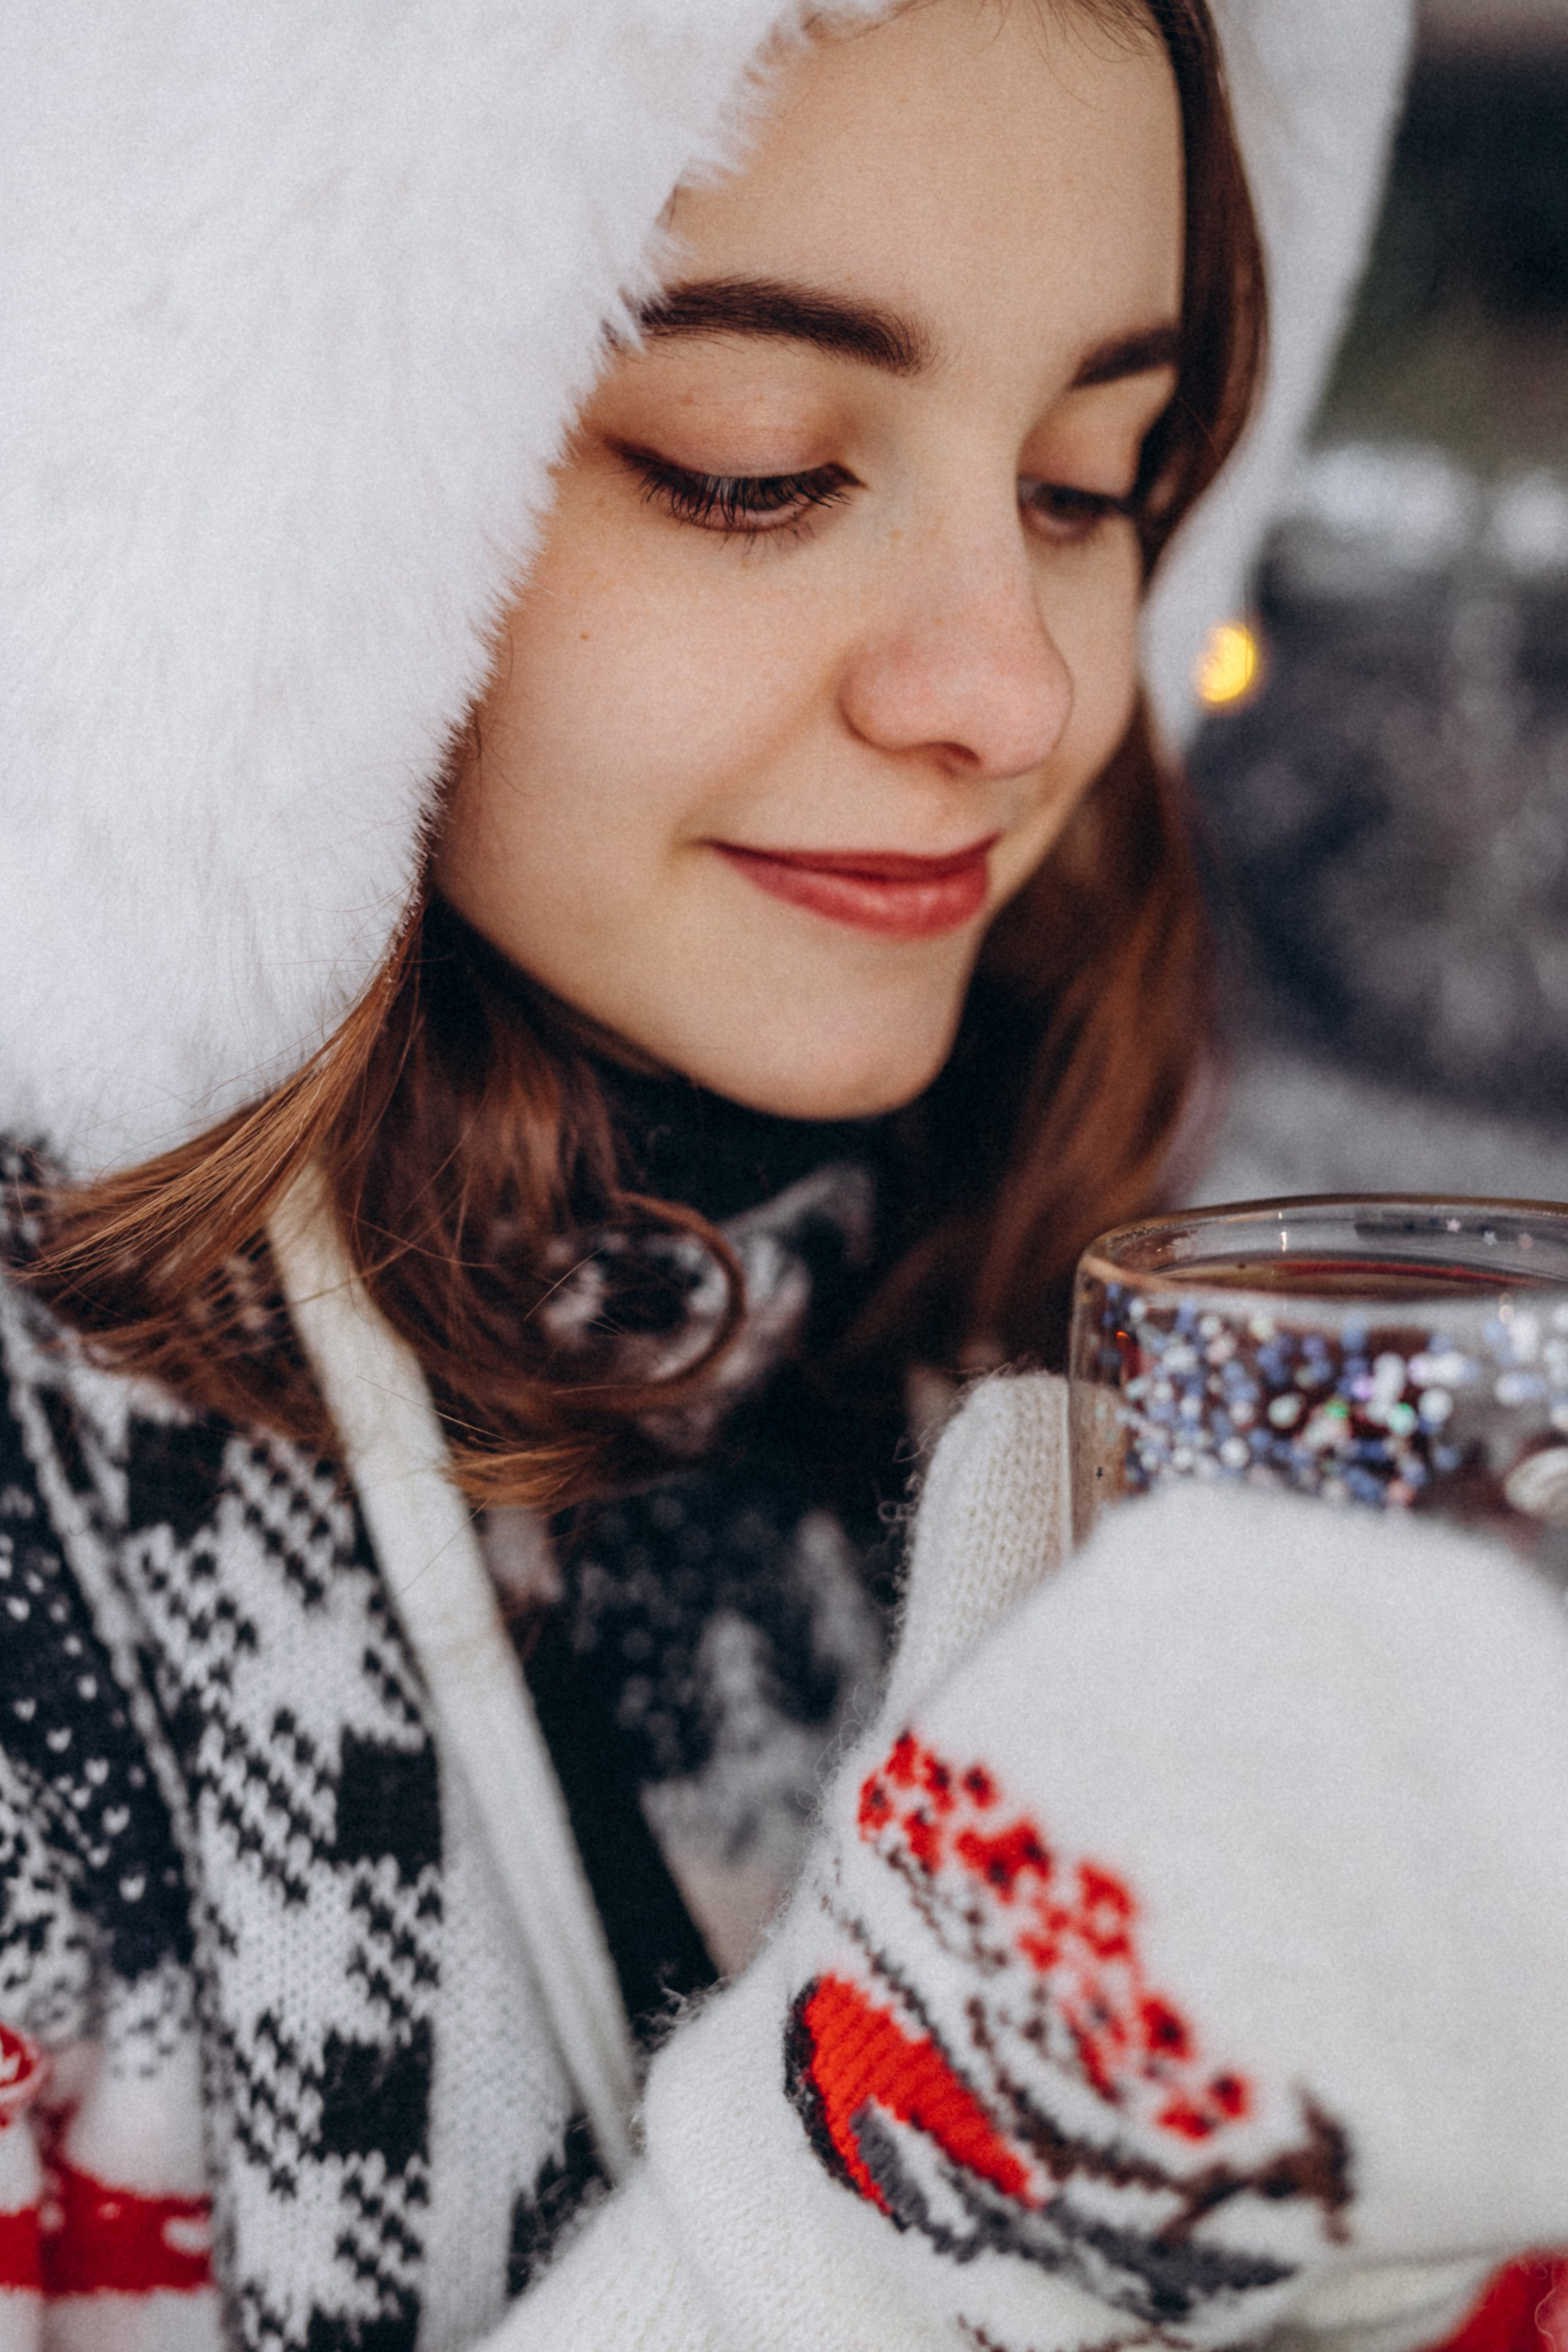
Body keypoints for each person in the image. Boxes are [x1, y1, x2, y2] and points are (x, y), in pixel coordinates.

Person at [10, 1, 1566, 2348]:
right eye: (752, 469)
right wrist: (975, 2171)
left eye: (1086, 483)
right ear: (220, 514)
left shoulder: (1029, 1340)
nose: (1017, 692)